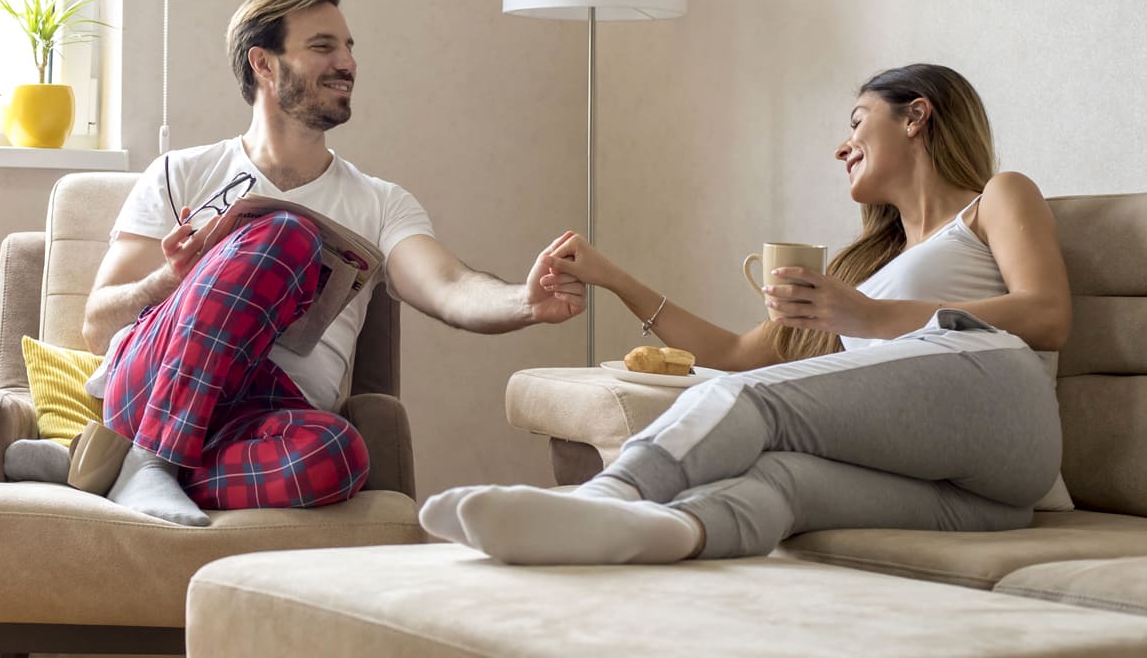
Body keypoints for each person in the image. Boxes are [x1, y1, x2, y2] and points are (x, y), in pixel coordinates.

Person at [421, 63, 1073, 565]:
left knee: (756, 402)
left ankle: (601, 498)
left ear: (916, 116)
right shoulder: (860, 272)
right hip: (983, 502)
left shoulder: (994, 199)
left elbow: (1047, 316)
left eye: (856, 121)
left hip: (1006, 417)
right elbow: (735, 354)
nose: (842, 145)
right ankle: (640, 530)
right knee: (780, 479)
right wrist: (615, 279)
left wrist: (869, 318)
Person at [4, 0, 586, 525]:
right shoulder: (181, 174)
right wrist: (171, 280)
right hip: (155, 382)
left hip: (268, 419)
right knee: (288, 234)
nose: (348, 63)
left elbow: (450, 286)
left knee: (339, 454)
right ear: (263, 63)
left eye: (349, 47)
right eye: (323, 46)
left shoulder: (381, 202)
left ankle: (109, 468)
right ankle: (152, 460)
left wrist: (524, 302)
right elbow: (98, 328)